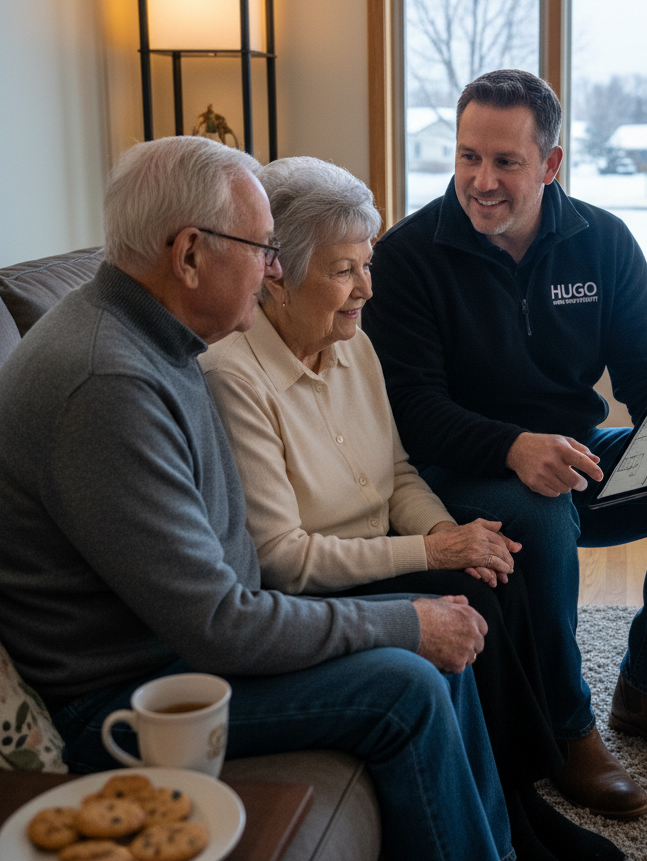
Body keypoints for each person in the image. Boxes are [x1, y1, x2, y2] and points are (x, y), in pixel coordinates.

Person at [0, 136, 513, 861]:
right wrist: (402, 622)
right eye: (264, 247)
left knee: (437, 645)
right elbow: (216, 622)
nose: (275, 271)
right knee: (411, 682)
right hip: (130, 696)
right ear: (188, 255)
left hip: (188, 647)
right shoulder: (109, 384)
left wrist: (408, 617)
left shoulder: (156, 341)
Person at [200, 155, 624, 861]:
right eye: (343, 270)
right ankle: (514, 823)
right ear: (276, 271)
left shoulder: (354, 343)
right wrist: (433, 553)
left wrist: (450, 532)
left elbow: (397, 473)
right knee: (469, 593)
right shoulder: (233, 379)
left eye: (368, 264)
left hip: (381, 556)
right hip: (321, 585)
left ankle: (518, 801)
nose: (367, 287)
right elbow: (285, 559)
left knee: (492, 573)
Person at [363, 69, 647, 821]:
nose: (481, 180)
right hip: (458, 472)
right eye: (468, 156)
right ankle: (569, 729)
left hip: (574, 455)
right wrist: (511, 446)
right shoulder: (408, 257)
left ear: (550, 164)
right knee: (539, 514)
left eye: (506, 162)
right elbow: (411, 409)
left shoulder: (601, 241)